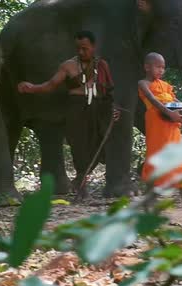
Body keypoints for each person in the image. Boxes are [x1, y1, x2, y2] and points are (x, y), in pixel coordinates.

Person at [18, 31, 119, 198]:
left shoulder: (102, 65)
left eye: (85, 48)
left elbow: (108, 91)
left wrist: (113, 109)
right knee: (79, 147)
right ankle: (81, 183)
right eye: (78, 48)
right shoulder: (68, 65)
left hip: (99, 108)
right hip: (76, 109)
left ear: (94, 47)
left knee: (99, 145)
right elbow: (51, 85)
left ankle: (80, 180)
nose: (81, 52)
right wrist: (32, 88)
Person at [138, 52, 182, 207]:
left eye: (163, 67)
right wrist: (169, 113)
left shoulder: (165, 85)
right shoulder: (143, 83)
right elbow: (153, 100)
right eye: (157, 67)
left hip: (171, 126)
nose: (161, 70)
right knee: (156, 157)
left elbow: (176, 101)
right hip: (156, 125)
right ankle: (149, 198)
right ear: (147, 67)